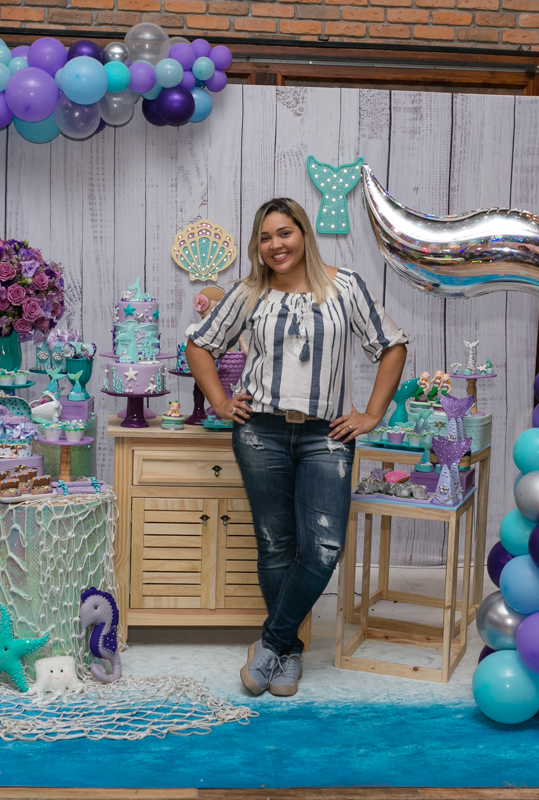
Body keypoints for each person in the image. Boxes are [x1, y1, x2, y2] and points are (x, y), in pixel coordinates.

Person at [185, 197, 408, 697]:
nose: (274, 245)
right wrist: (222, 404)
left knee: (323, 547)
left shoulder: (344, 286)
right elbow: (199, 344)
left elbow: (392, 345)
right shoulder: (249, 292)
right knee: (276, 545)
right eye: (265, 238)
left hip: (325, 435)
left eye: (283, 233)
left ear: (303, 233)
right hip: (259, 432)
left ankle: (272, 642)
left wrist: (371, 414)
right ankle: (287, 657)